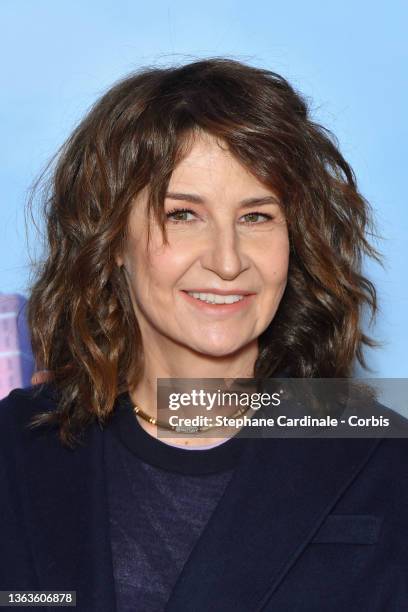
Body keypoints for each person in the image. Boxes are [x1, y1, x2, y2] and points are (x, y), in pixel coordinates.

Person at [1, 58, 407, 612]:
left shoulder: (384, 454)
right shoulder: (15, 452)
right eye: (184, 215)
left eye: (257, 216)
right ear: (112, 239)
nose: (227, 260)